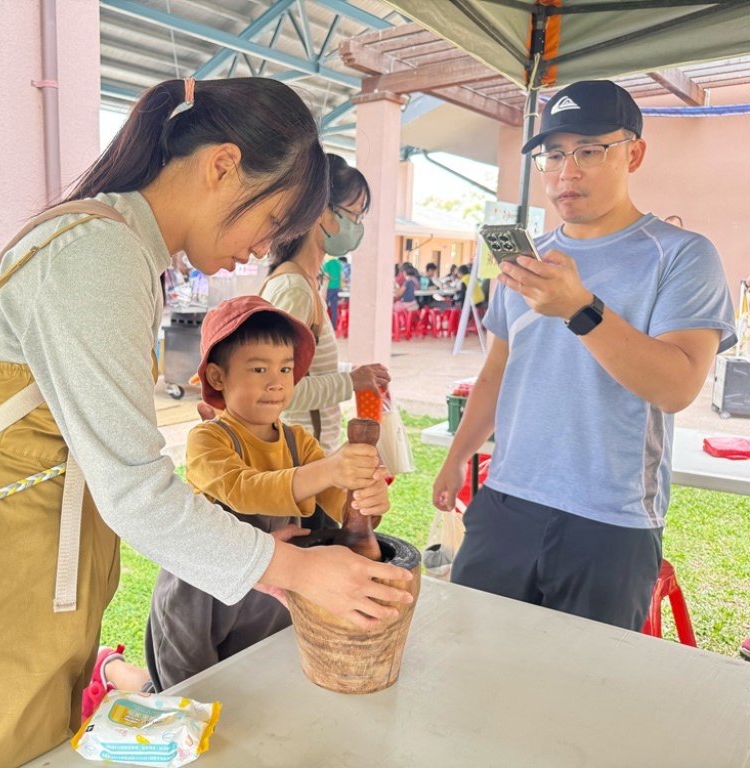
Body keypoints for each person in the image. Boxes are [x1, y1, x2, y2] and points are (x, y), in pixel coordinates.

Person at [0, 77, 412, 768]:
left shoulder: (114, 245)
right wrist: (298, 570)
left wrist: (269, 562)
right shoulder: (99, 254)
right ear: (223, 166)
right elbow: (135, 490)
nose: (264, 246)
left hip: (19, 579)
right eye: (273, 219)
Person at [432, 80, 735, 632]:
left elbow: (678, 386)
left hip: (610, 518)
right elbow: (497, 372)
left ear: (634, 154)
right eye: (553, 154)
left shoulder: (681, 256)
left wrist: (580, 309)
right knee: (474, 656)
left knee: (584, 679)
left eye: (589, 151)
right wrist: (458, 455)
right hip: (506, 500)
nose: (566, 172)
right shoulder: (528, 261)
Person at [85, 297, 393, 710]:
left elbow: (343, 511)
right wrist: (328, 471)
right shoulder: (209, 440)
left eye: (285, 369)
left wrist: (367, 499)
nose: (276, 383)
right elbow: (243, 488)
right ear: (218, 375)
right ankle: (112, 669)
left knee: (248, 691)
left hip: (269, 597)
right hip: (200, 601)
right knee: (185, 701)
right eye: (259, 369)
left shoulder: (299, 443)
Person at [259, 153, 390, 453]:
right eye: (354, 215)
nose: (357, 226)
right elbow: (277, 389)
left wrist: (353, 372)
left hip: (306, 454)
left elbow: (307, 369)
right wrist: (350, 381)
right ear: (320, 211)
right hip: (297, 459)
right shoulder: (295, 290)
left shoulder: (304, 283)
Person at [321, 252, 343, 323]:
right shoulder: (338, 264)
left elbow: (326, 279)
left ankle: (324, 324)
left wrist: (323, 292)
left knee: (324, 307)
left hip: (329, 288)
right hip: (336, 288)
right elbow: (341, 276)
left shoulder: (327, 264)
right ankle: (333, 326)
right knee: (334, 308)